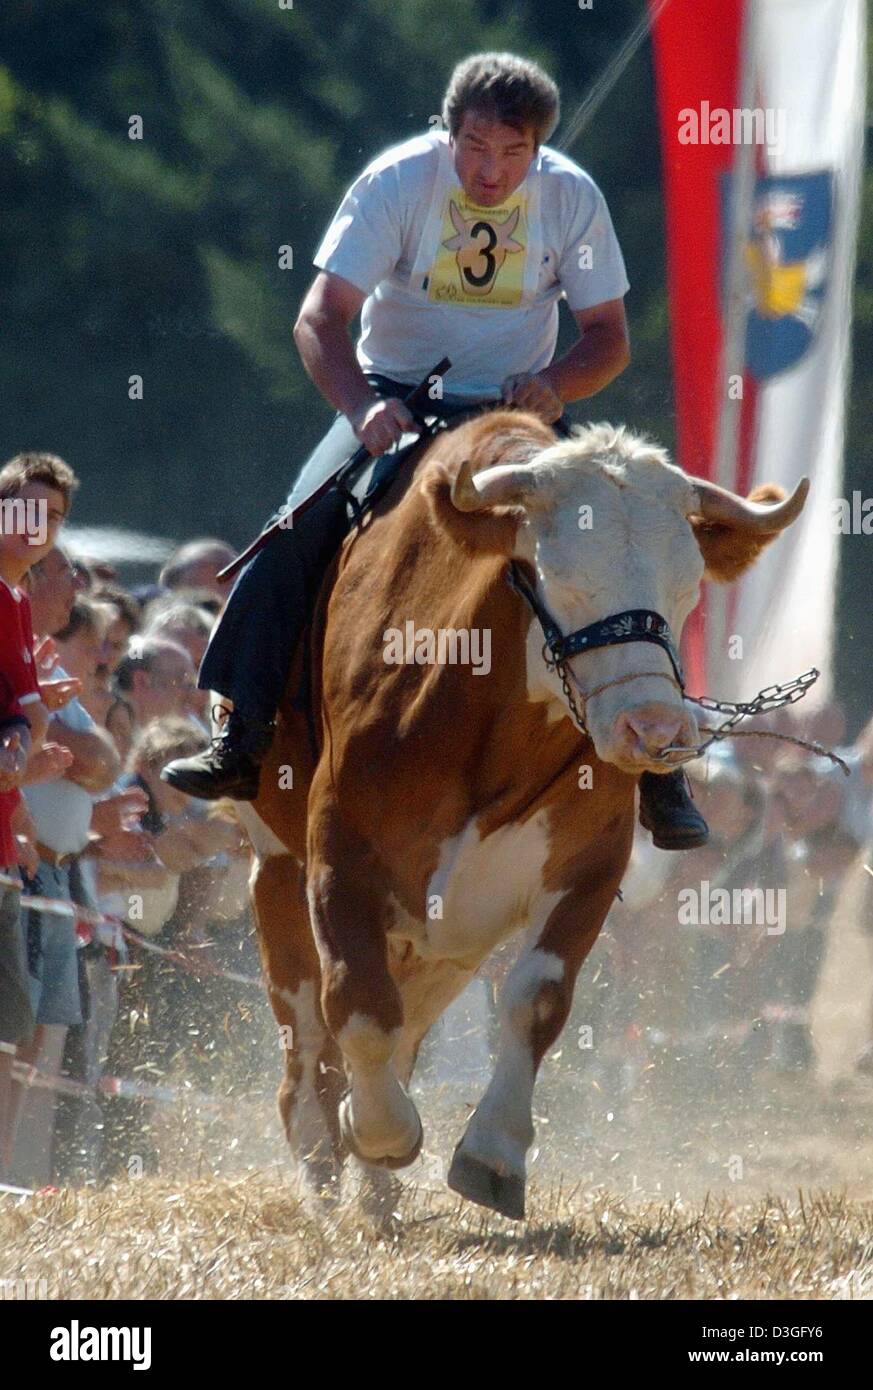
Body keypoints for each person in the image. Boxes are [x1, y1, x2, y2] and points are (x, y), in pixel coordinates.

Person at [163, 51, 707, 850]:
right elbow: (319, 320)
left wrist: (556, 382)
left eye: (513, 154)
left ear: (539, 150)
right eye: (477, 149)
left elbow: (608, 340)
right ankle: (241, 738)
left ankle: (662, 771)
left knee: (620, 548)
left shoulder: (571, 197)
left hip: (517, 413)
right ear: (447, 133)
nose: (492, 172)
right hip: (395, 401)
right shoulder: (394, 183)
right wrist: (360, 405)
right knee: (290, 533)